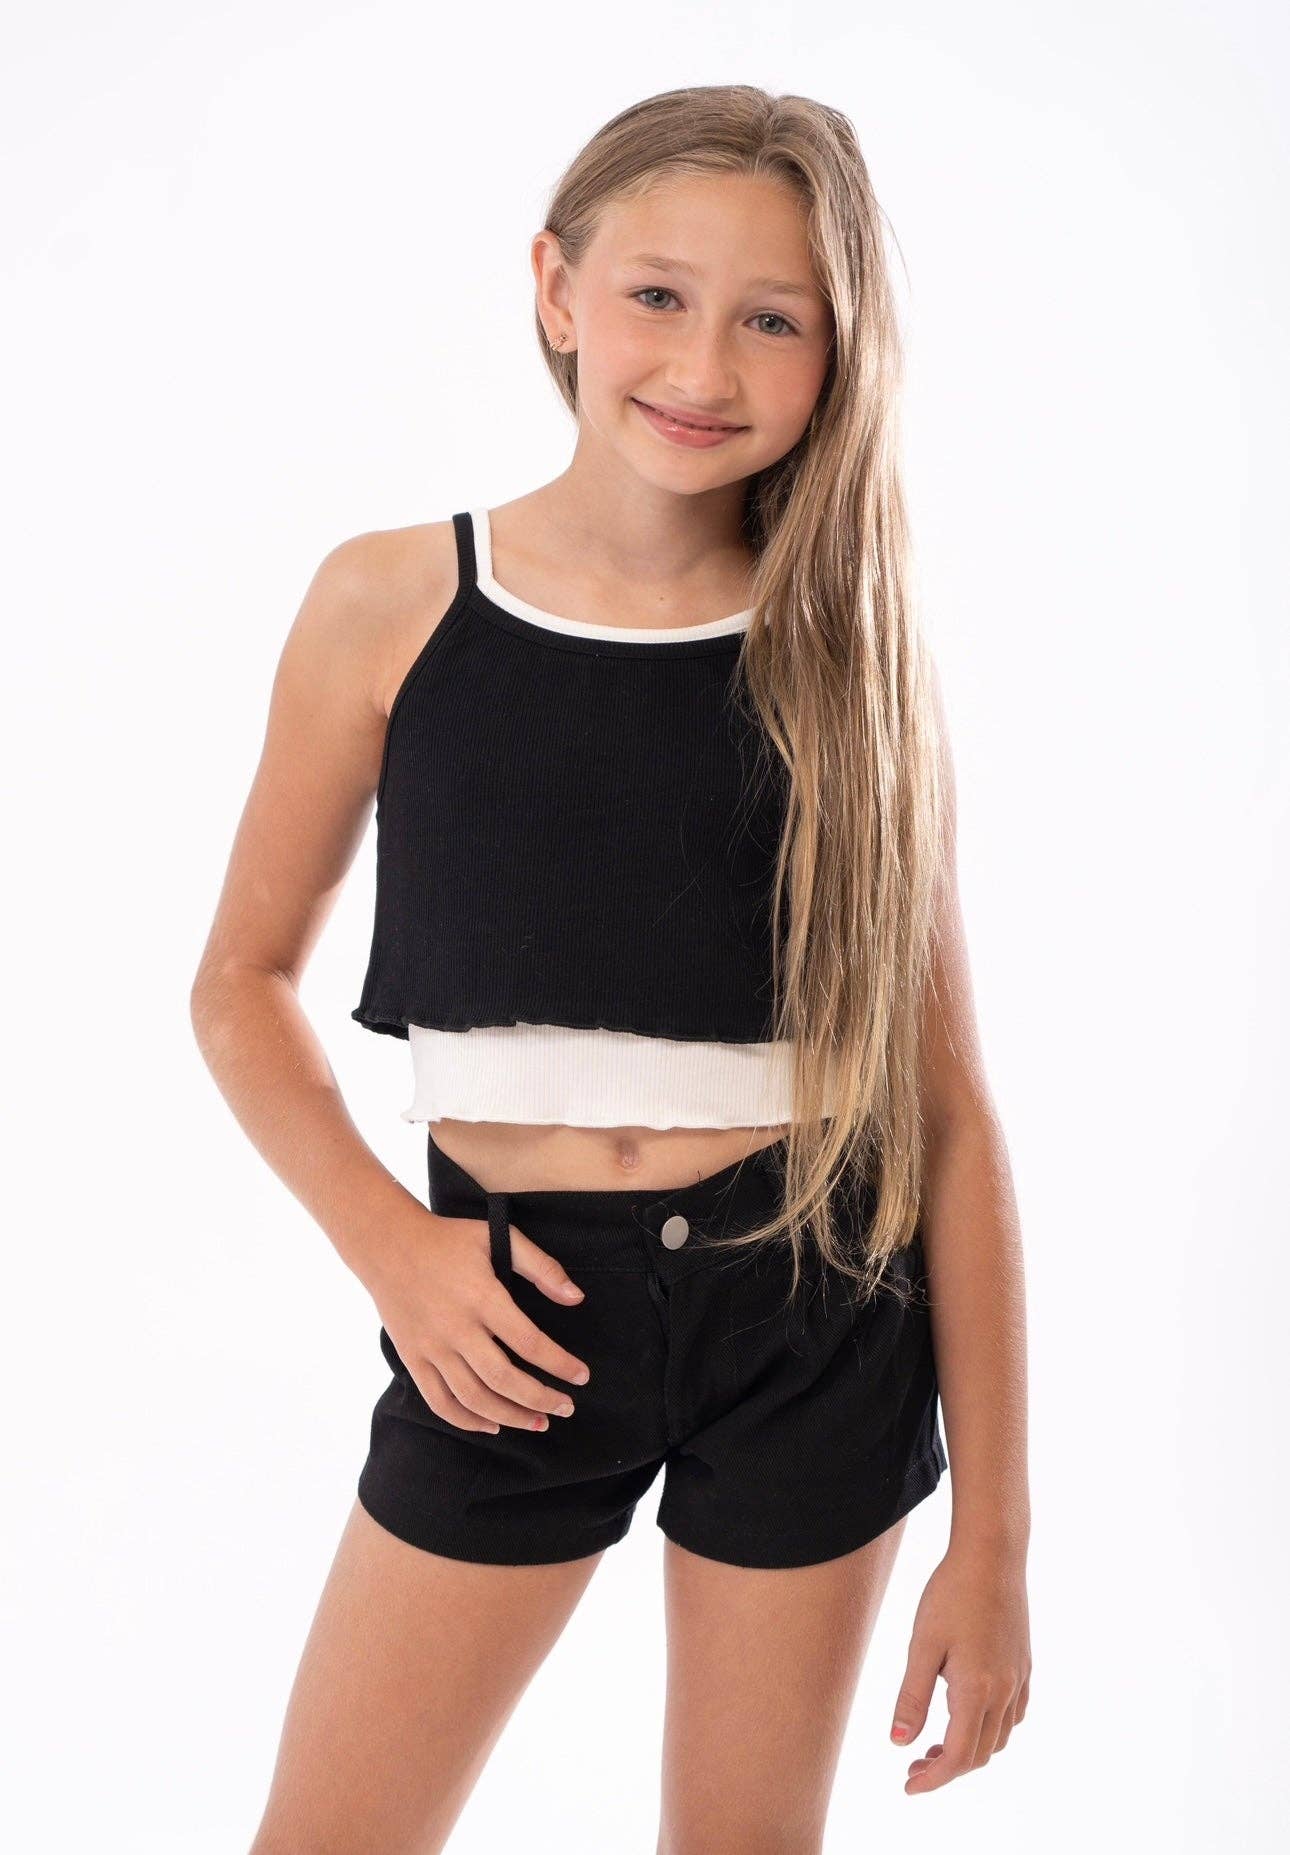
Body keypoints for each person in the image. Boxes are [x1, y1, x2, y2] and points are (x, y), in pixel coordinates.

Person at [191, 83, 1031, 1855]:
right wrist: (392, 1249)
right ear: (557, 290)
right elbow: (239, 982)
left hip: (813, 1308)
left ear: (837, 353)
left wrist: (996, 1541)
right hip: (506, 1316)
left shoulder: (851, 654)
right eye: (657, 294)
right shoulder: (392, 602)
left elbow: (946, 1111)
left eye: (772, 319)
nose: (703, 364)